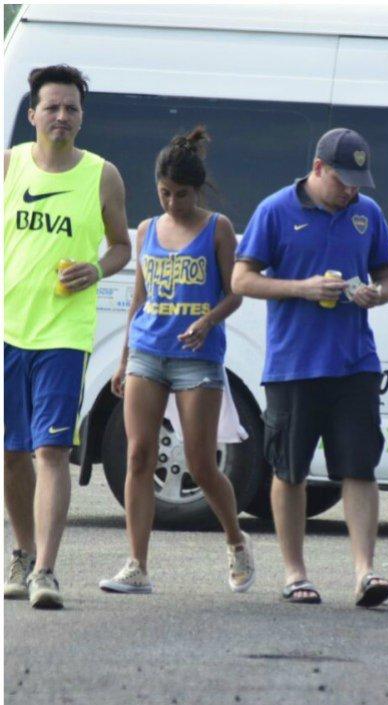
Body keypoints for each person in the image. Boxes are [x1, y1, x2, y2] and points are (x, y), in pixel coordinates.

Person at [232, 127, 388, 607]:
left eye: (358, 182)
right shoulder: (275, 210)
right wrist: (302, 288)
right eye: (343, 180)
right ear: (318, 168)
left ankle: (365, 572)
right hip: (294, 365)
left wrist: (376, 295)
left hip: (355, 362)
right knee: (289, 470)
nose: (351, 191)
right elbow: (241, 279)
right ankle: (295, 573)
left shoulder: (368, 214)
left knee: (360, 468)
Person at [98, 127, 255, 594]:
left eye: (181, 194)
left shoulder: (217, 228)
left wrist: (207, 321)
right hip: (148, 350)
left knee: (201, 463)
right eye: (164, 192)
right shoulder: (147, 230)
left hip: (196, 357)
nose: (172, 203)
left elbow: (235, 293)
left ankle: (236, 540)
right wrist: (123, 359)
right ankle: (137, 566)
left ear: (197, 189)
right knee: (138, 455)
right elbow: (139, 300)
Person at [4, 64, 131, 609]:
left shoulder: (103, 175)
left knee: (51, 450)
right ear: (32, 114)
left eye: (71, 108)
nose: (61, 115)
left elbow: (122, 246)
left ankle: (46, 572)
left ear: (82, 117)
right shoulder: (9, 167)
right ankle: (22, 553)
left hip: (64, 335)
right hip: (8, 329)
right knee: (12, 453)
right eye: (52, 107)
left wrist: (96, 270)